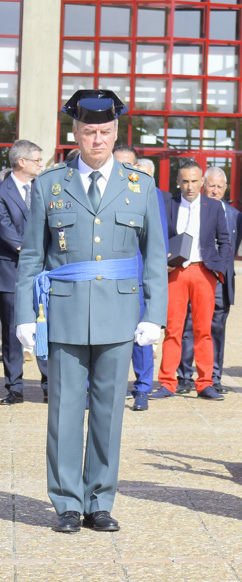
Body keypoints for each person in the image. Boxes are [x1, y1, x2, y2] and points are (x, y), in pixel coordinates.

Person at [14, 89, 167, 533]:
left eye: (104, 132)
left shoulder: (139, 186)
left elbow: (154, 256)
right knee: (63, 410)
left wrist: (154, 315)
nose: (97, 140)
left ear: (115, 132)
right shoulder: (49, 184)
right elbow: (31, 258)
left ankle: (99, 499)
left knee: (107, 410)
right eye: (88, 132)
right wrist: (25, 314)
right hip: (62, 314)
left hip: (119, 316)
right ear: (74, 134)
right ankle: (65, 501)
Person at [150, 160, 231, 400]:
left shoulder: (214, 207)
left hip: (203, 271)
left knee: (203, 330)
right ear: (178, 181)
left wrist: (218, 268)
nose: (189, 186)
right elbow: (159, 237)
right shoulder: (168, 205)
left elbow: (225, 240)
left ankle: (205, 383)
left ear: (202, 183)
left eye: (194, 181)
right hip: (175, 272)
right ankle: (167, 383)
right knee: (173, 329)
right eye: (185, 181)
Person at [178, 166, 242, 395]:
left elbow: (231, 249)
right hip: (193, 276)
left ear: (225, 188)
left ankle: (213, 378)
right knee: (188, 326)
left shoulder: (235, 215)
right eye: (211, 185)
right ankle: (184, 376)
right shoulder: (186, 210)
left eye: (220, 186)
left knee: (215, 329)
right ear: (203, 185)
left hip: (220, 281)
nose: (215, 190)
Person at [112, 146, 168, 411]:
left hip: (137, 278)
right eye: (118, 164)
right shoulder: (99, 191)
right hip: (106, 280)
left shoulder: (148, 192)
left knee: (141, 337)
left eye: (129, 165)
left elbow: (157, 246)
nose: (124, 170)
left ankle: (143, 388)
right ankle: (97, 388)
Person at [0, 139, 48, 405]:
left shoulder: (43, 188)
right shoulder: (2, 191)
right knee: (11, 332)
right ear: (22, 162)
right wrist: (30, 250)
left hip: (43, 272)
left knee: (44, 327)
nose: (41, 164)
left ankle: (49, 384)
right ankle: (15, 387)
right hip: (11, 271)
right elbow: (4, 227)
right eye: (37, 160)